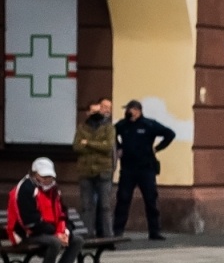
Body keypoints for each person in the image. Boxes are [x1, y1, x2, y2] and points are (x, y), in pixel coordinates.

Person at [6, 157, 80, 263]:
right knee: (55, 242)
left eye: (50, 176)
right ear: (34, 174)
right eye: (44, 176)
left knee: (77, 240)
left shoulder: (54, 189)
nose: (48, 179)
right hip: (27, 233)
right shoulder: (25, 189)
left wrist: (64, 230)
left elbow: (62, 212)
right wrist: (54, 232)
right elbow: (27, 221)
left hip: (48, 231)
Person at [113, 99, 176, 240]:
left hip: (146, 168)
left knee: (151, 200)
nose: (128, 112)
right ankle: (118, 231)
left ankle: (154, 231)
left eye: (130, 109)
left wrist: (157, 149)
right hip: (128, 168)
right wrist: (119, 147)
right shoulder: (122, 125)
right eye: (127, 110)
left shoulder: (149, 124)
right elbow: (111, 134)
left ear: (137, 110)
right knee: (123, 199)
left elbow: (170, 134)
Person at [73, 97, 115, 238]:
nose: (96, 114)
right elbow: (77, 147)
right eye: (93, 111)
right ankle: (87, 235)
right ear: (88, 113)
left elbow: (108, 147)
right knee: (87, 206)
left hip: (103, 171)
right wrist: (98, 145)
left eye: (99, 111)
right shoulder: (82, 127)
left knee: (105, 206)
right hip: (85, 171)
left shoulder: (108, 127)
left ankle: (108, 236)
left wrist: (88, 143)